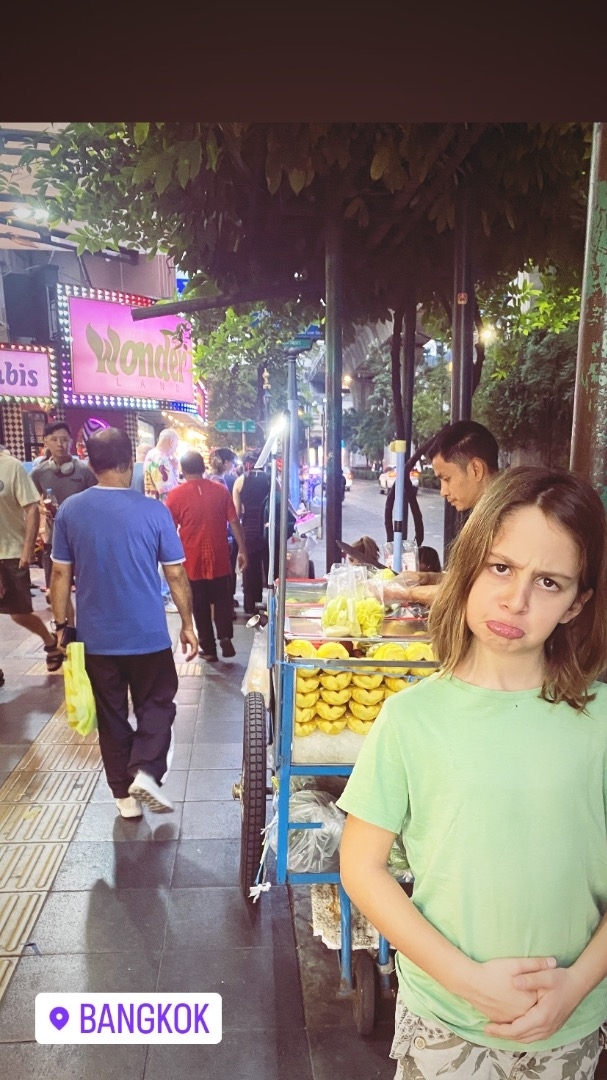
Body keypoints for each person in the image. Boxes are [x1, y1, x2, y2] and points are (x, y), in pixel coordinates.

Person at [338, 466, 607, 1079]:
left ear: (576, 604)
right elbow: (362, 866)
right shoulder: (412, 717)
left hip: (569, 1023)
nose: (516, 600)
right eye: (501, 568)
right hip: (445, 1022)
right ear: (468, 569)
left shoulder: (600, 722)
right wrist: (467, 980)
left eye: (549, 582)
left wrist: (574, 986)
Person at [50, 428, 198, 819]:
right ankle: (146, 770)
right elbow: (175, 573)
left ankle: (125, 800)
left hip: (97, 639)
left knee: (112, 716)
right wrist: (188, 624)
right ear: (129, 462)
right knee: (157, 703)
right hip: (147, 635)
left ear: (90, 463)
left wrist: (61, 625)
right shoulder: (154, 511)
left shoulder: (70, 511)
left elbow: (60, 575)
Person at [385, 421, 499, 608]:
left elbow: (478, 594)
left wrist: (408, 593)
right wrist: (430, 578)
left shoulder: (507, 518)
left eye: (447, 479)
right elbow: (470, 581)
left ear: (476, 469)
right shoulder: (486, 513)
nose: (443, 491)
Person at [165, 452, 248, 662]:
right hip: (220, 557)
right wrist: (242, 550)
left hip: (192, 560)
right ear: (203, 468)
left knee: (199, 604)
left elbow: (169, 530)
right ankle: (225, 636)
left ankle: (209, 648)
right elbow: (234, 521)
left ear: (183, 471)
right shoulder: (220, 490)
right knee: (222, 599)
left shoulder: (175, 496)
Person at [0, 443, 65, 677]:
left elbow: (31, 508)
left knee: (19, 613)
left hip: (11, 553)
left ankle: (50, 642)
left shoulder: (11, 467)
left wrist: (28, 548)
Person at [30, 420, 98, 616]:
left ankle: (88, 622)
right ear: (46, 442)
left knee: (88, 587)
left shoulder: (84, 471)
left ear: (70, 442)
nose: (60, 444)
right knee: (57, 590)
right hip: (53, 539)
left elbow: (97, 501)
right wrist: (41, 509)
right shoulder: (39, 473)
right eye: (54, 440)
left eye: (64, 440)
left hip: (82, 539)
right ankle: (64, 626)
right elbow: (29, 502)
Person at [143, 428, 181, 613]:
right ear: (171, 442)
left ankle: (161, 595)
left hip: (153, 510)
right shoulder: (160, 457)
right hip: (161, 512)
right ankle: (163, 596)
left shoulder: (153, 455)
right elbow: (166, 488)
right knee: (164, 555)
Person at [232, 452, 271, 616]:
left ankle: (250, 605)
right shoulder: (270, 479)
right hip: (267, 528)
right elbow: (282, 501)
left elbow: (236, 512)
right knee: (270, 566)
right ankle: (272, 603)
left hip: (248, 529)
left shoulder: (240, 481)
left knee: (250, 568)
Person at [207, 447, 239, 607]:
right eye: (232, 462)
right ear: (226, 463)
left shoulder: (209, 479)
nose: (233, 465)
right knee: (225, 569)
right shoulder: (219, 482)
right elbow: (230, 512)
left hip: (213, 530)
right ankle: (224, 603)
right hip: (221, 531)